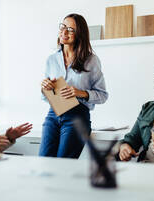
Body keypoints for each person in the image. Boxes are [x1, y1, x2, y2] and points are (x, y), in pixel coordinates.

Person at [39, 13, 108, 158]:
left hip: (77, 116)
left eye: (70, 29)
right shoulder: (51, 59)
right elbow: (45, 98)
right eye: (63, 27)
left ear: (79, 34)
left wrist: (80, 93)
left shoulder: (91, 60)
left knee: (63, 165)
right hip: (53, 114)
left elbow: (103, 96)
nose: (64, 32)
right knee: (44, 161)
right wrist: (45, 88)